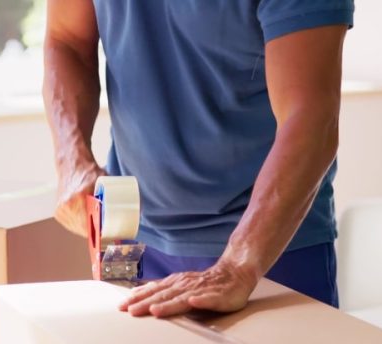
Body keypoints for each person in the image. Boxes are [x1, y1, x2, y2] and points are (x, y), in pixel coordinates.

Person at [45, 0, 353, 315]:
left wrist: (238, 265)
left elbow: (312, 120)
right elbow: (67, 39)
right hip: (132, 241)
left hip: (268, 252)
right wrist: (71, 160)